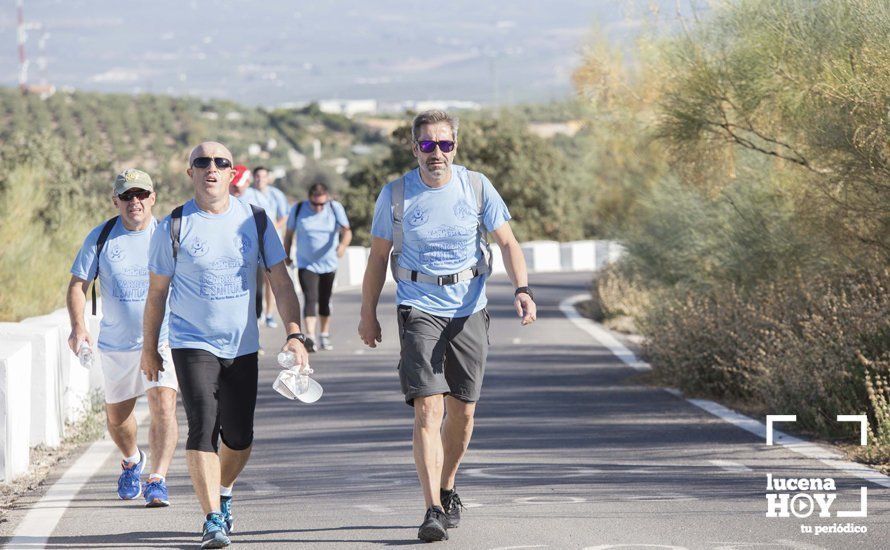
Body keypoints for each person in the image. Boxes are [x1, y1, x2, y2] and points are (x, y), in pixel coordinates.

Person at [358, 110, 537, 542]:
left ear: (455, 146)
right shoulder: (396, 194)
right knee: (428, 407)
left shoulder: (476, 186)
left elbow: (508, 242)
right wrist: (368, 313)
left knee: (464, 411)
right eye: (426, 144)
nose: (436, 153)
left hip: (469, 307)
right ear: (414, 147)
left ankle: (448, 484)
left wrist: (522, 289)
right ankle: (432, 508)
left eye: (444, 144)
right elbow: (378, 257)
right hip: (418, 306)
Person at [142, 142, 309, 549]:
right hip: (190, 341)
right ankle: (212, 518)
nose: (211, 168)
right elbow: (157, 293)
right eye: (202, 162)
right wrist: (150, 347)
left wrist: (294, 333)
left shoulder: (254, 219)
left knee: (239, 436)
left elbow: (281, 281)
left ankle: (225, 488)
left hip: (242, 344)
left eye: (221, 163)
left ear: (233, 173)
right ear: (191, 173)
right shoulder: (175, 225)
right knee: (203, 424)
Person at [66, 168, 179, 507]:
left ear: (152, 198)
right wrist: (78, 326)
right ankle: (132, 459)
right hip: (116, 346)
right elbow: (77, 285)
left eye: (141, 194)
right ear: (116, 200)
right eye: (127, 196)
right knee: (117, 419)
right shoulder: (101, 237)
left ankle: (157, 479)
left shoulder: (168, 235)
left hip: (163, 340)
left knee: (163, 405)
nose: (135, 202)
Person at [283, 182, 352, 351]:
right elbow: (289, 234)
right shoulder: (298, 209)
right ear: (309, 199)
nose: (318, 208)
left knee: (324, 300)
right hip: (306, 263)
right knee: (310, 298)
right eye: (315, 204)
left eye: (322, 204)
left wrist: (342, 246)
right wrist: (287, 255)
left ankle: (324, 335)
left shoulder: (335, 208)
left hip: (329, 263)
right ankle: (311, 337)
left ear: (327, 198)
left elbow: (347, 231)